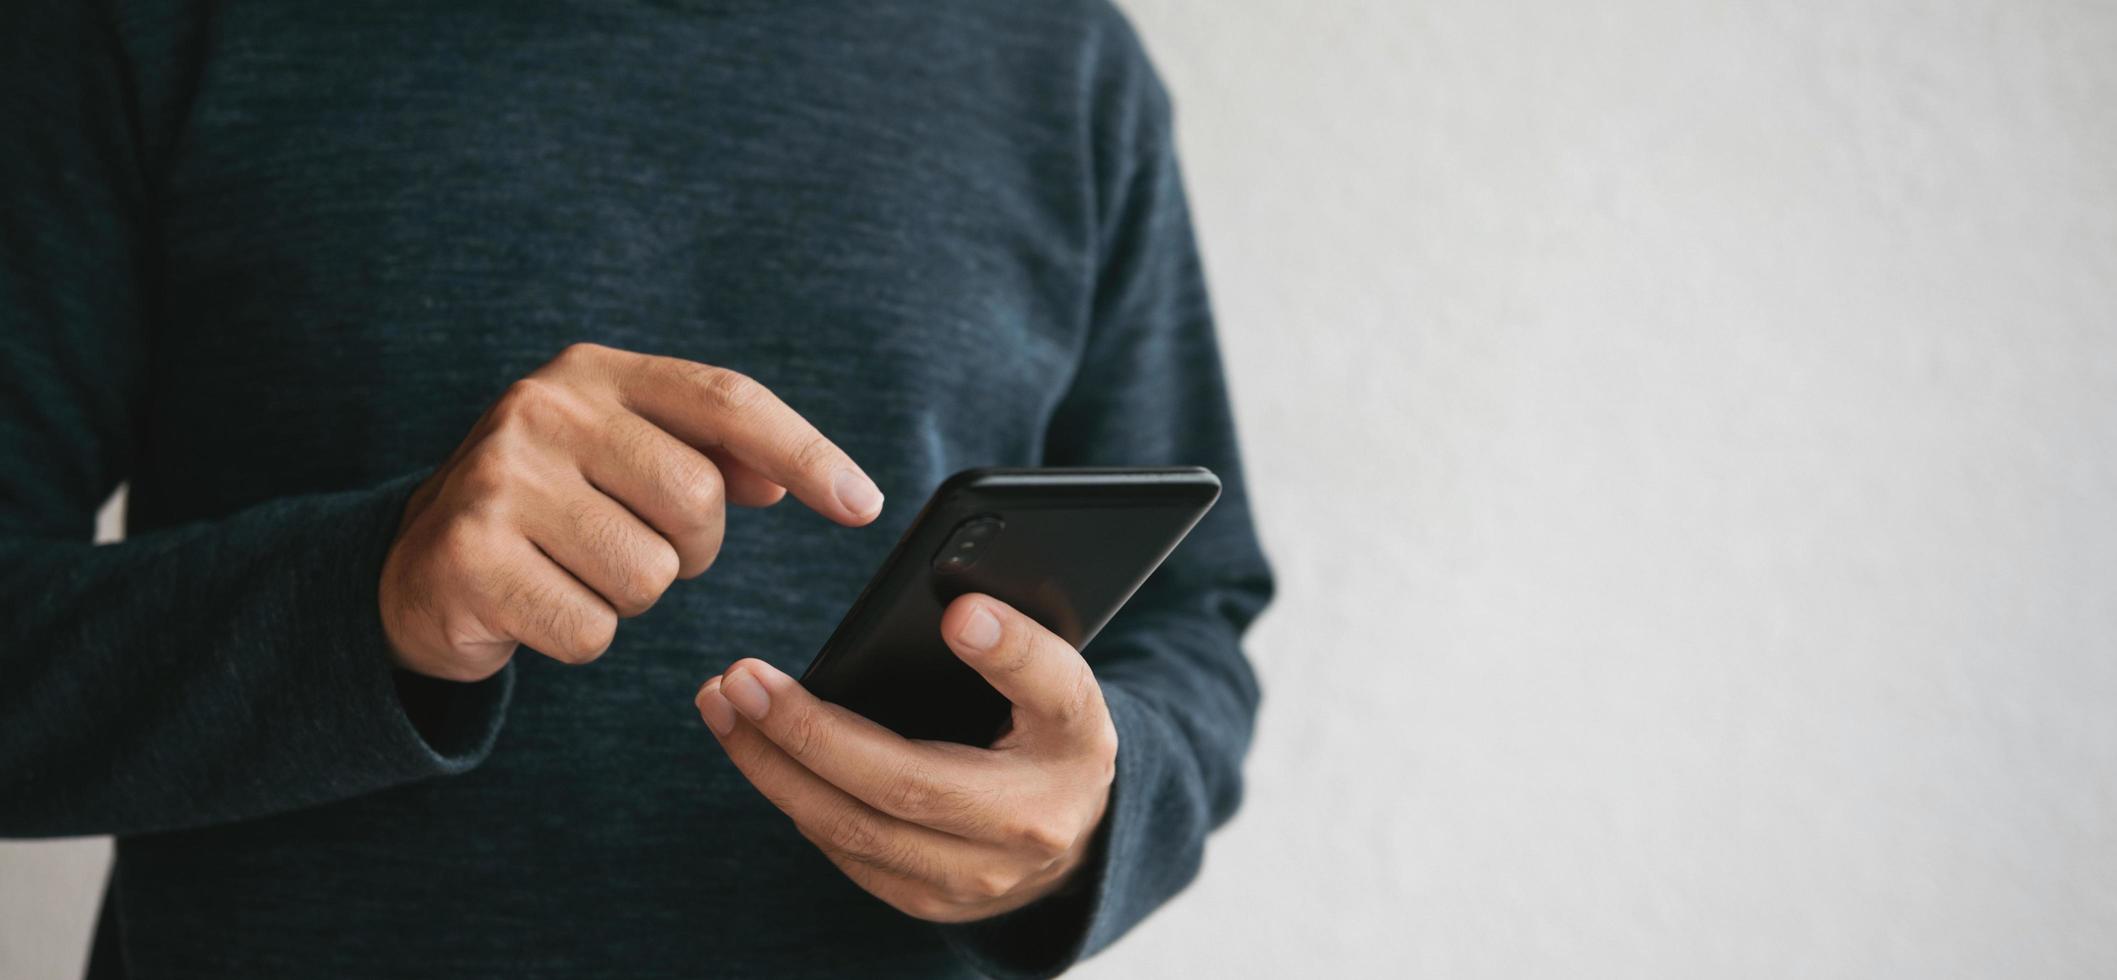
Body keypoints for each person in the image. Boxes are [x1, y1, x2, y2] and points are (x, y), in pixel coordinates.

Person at [0, 1, 1272, 976]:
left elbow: (1193, 614)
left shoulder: (1058, 55)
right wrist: (371, 591)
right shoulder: (137, 24)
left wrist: (1089, 817)